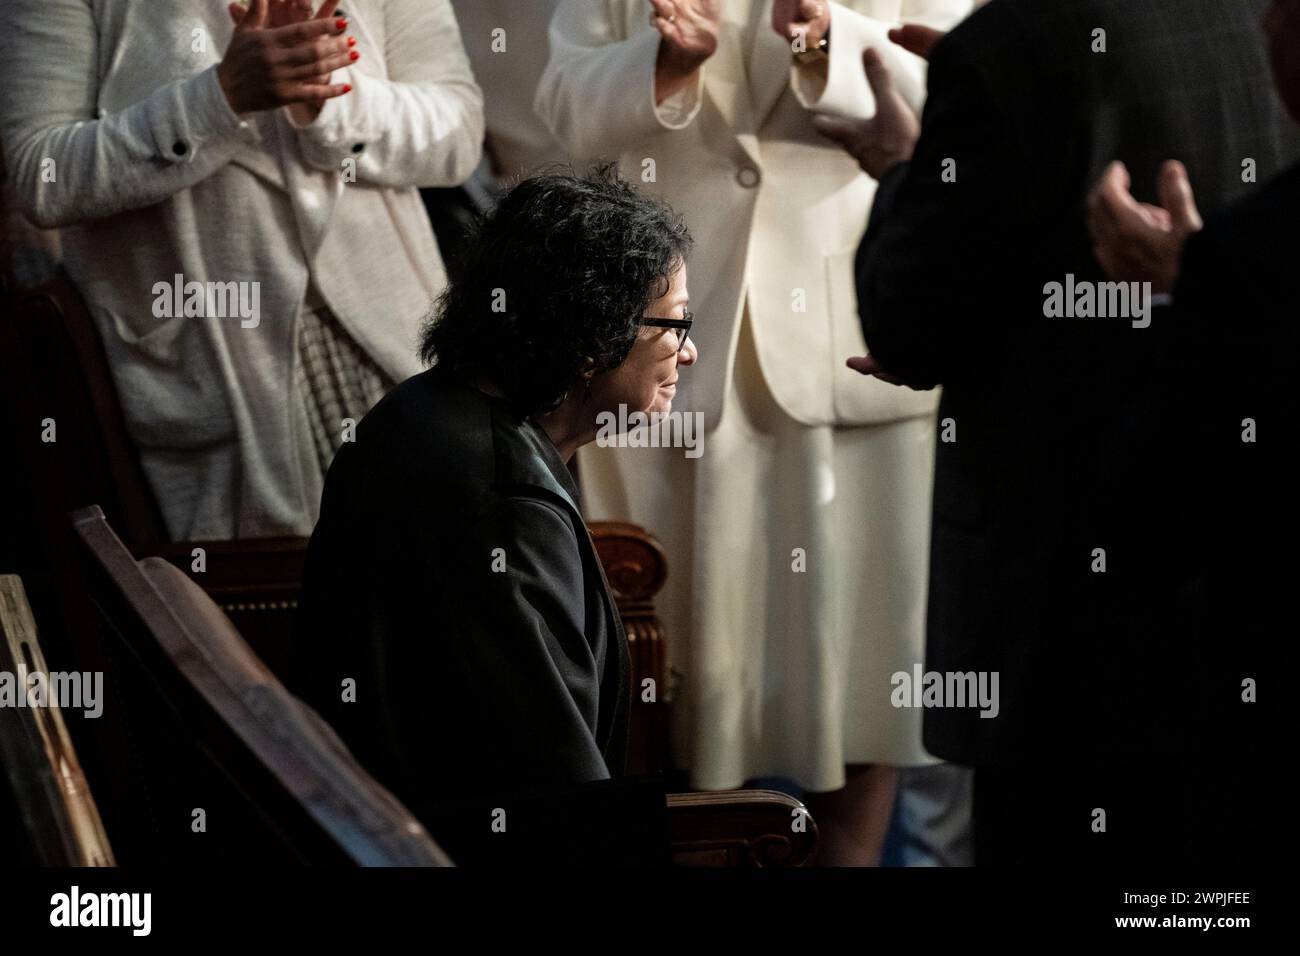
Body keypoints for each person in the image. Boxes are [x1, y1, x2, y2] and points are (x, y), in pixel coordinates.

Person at [819, 0, 1294, 864]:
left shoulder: (1008, 47)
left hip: (1063, 610)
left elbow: (909, 321)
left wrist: (907, 168)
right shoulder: (1251, 16)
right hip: (1243, 593)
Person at [536, 0, 972, 866]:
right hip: (660, 345)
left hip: (849, 331)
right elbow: (562, 109)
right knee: (679, 675)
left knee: (858, 666)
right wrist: (664, 66)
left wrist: (824, 40)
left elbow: (967, 94)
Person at [287, 166, 696, 863]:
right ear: (593, 339)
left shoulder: (425, 407)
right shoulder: (502, 504)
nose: (687, 349)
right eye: (675, 323)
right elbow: (558, 807)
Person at [0, 0, 483, 539]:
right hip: (212, 374)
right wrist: (219, 98)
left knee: (455, 590)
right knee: (259, 616)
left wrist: (326, 100)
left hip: (399, 359)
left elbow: (457, 135)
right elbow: (41, 175)